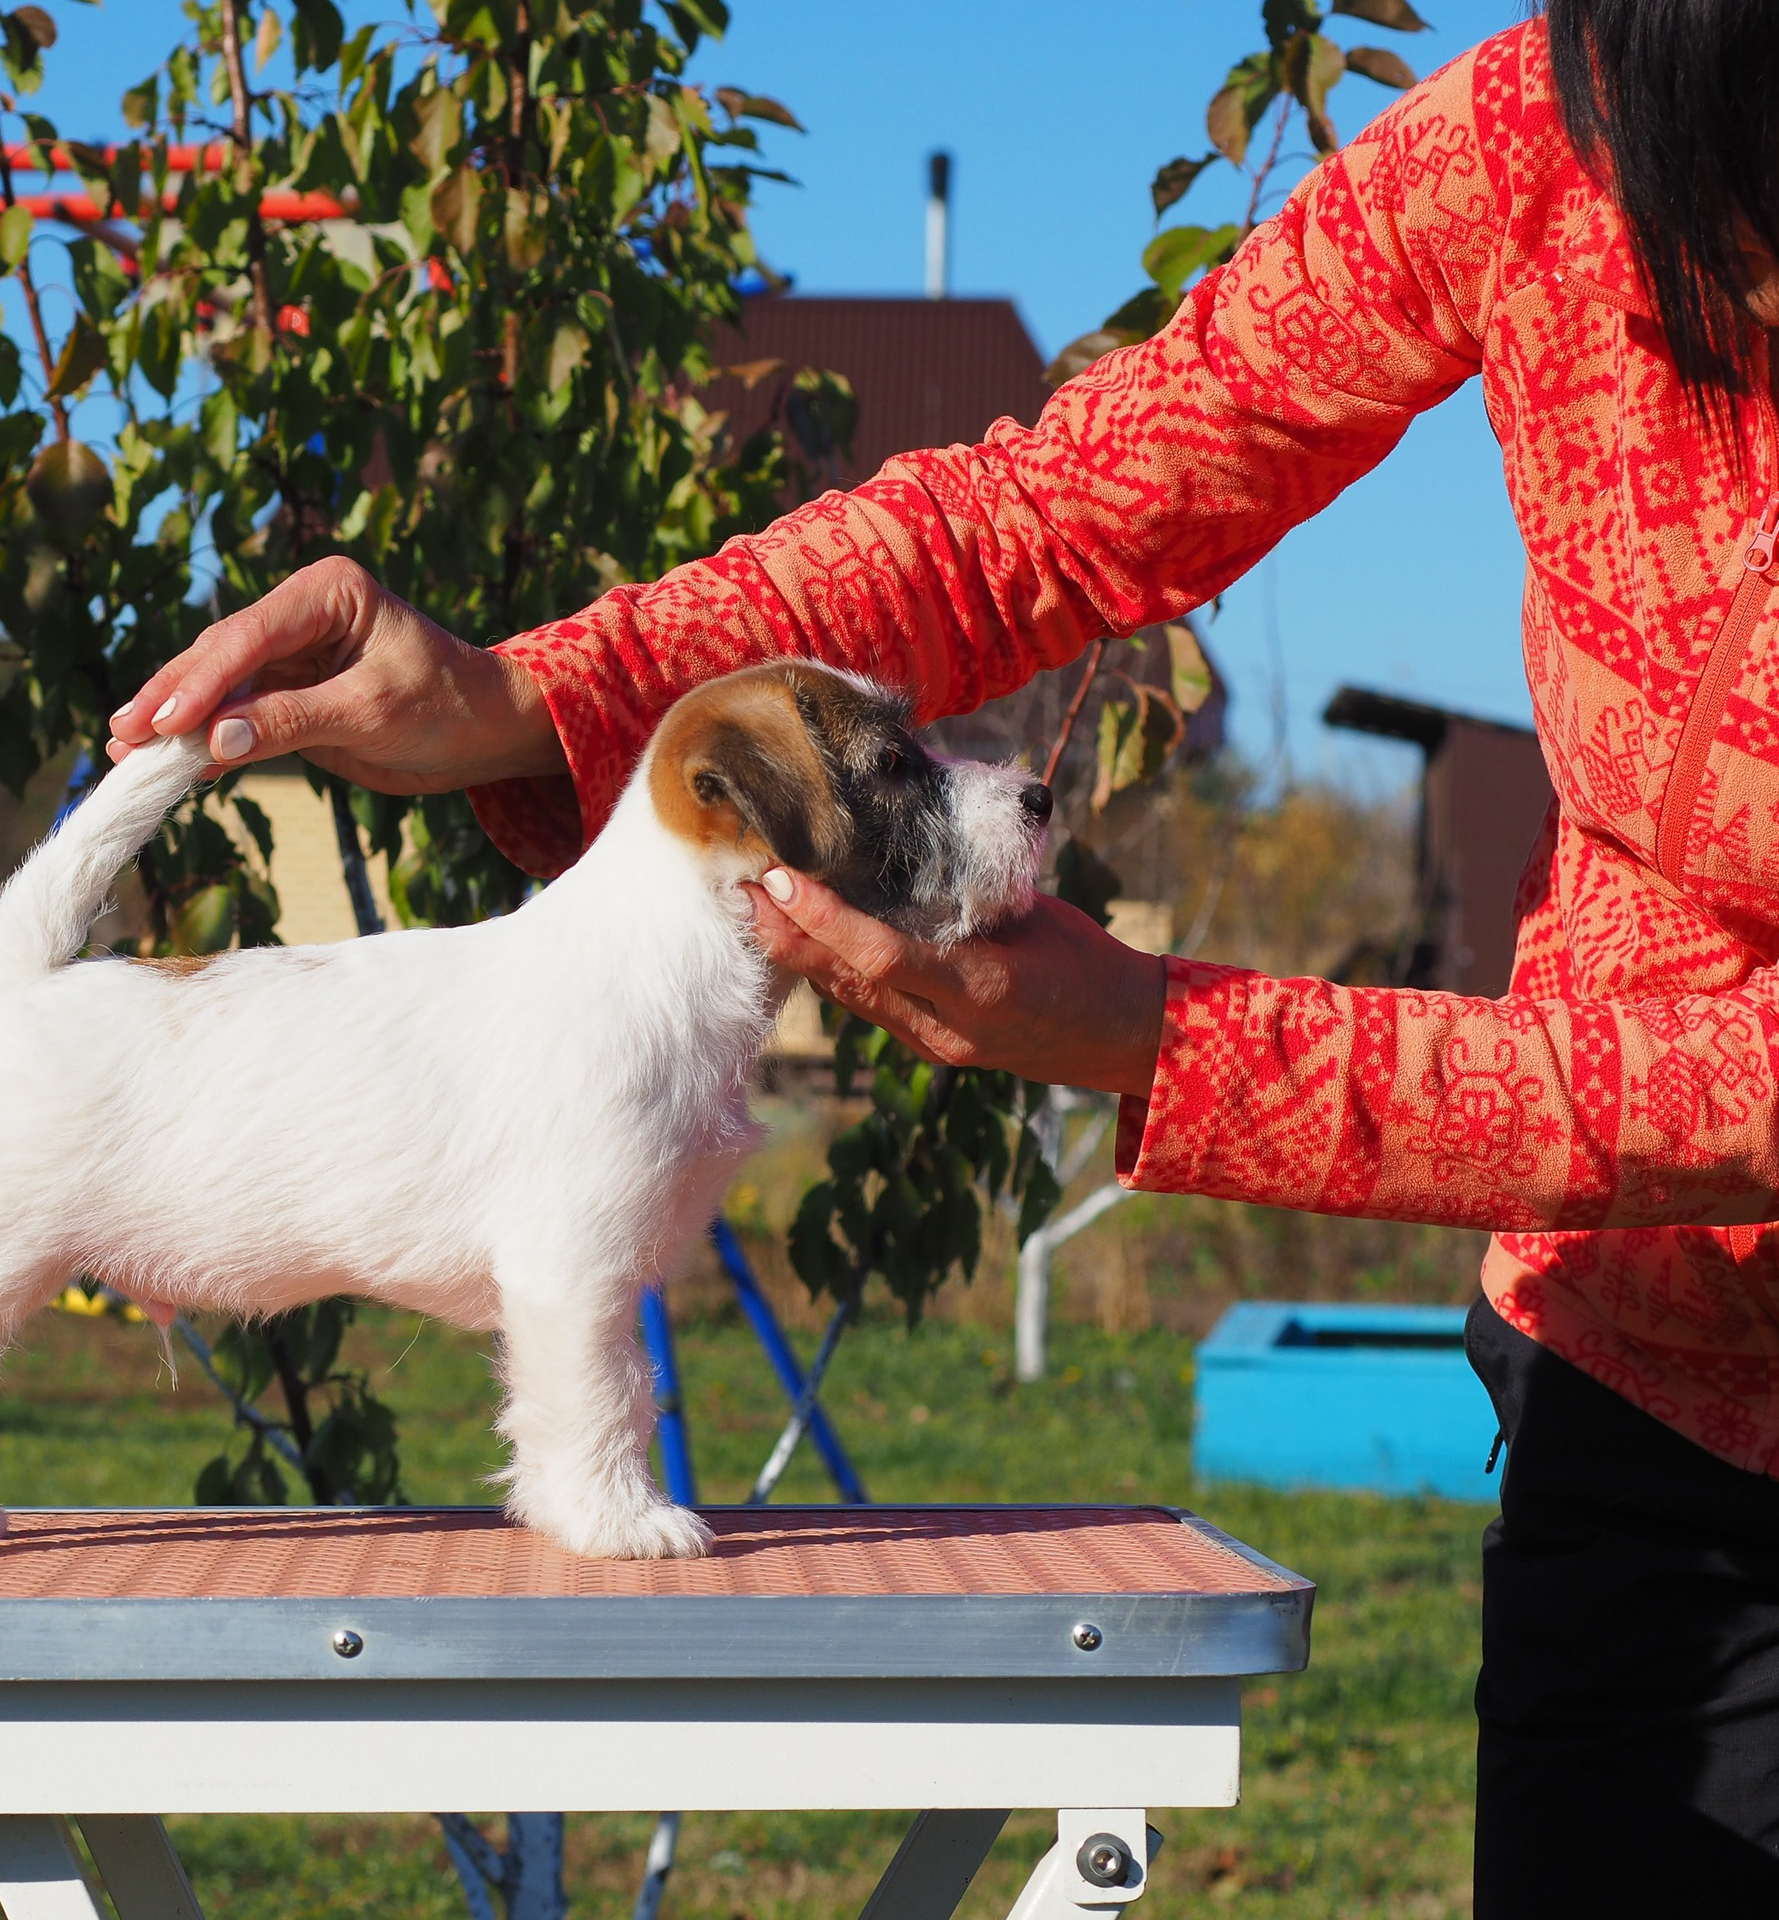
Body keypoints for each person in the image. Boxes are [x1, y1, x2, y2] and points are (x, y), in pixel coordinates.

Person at [107, 4, 1779, 1908]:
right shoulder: (1548, 134)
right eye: (1699, 189)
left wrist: (1164, 1038)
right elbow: (1057, 512)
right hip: (1643, 1394)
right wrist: (541, 694)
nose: (1717, 282)